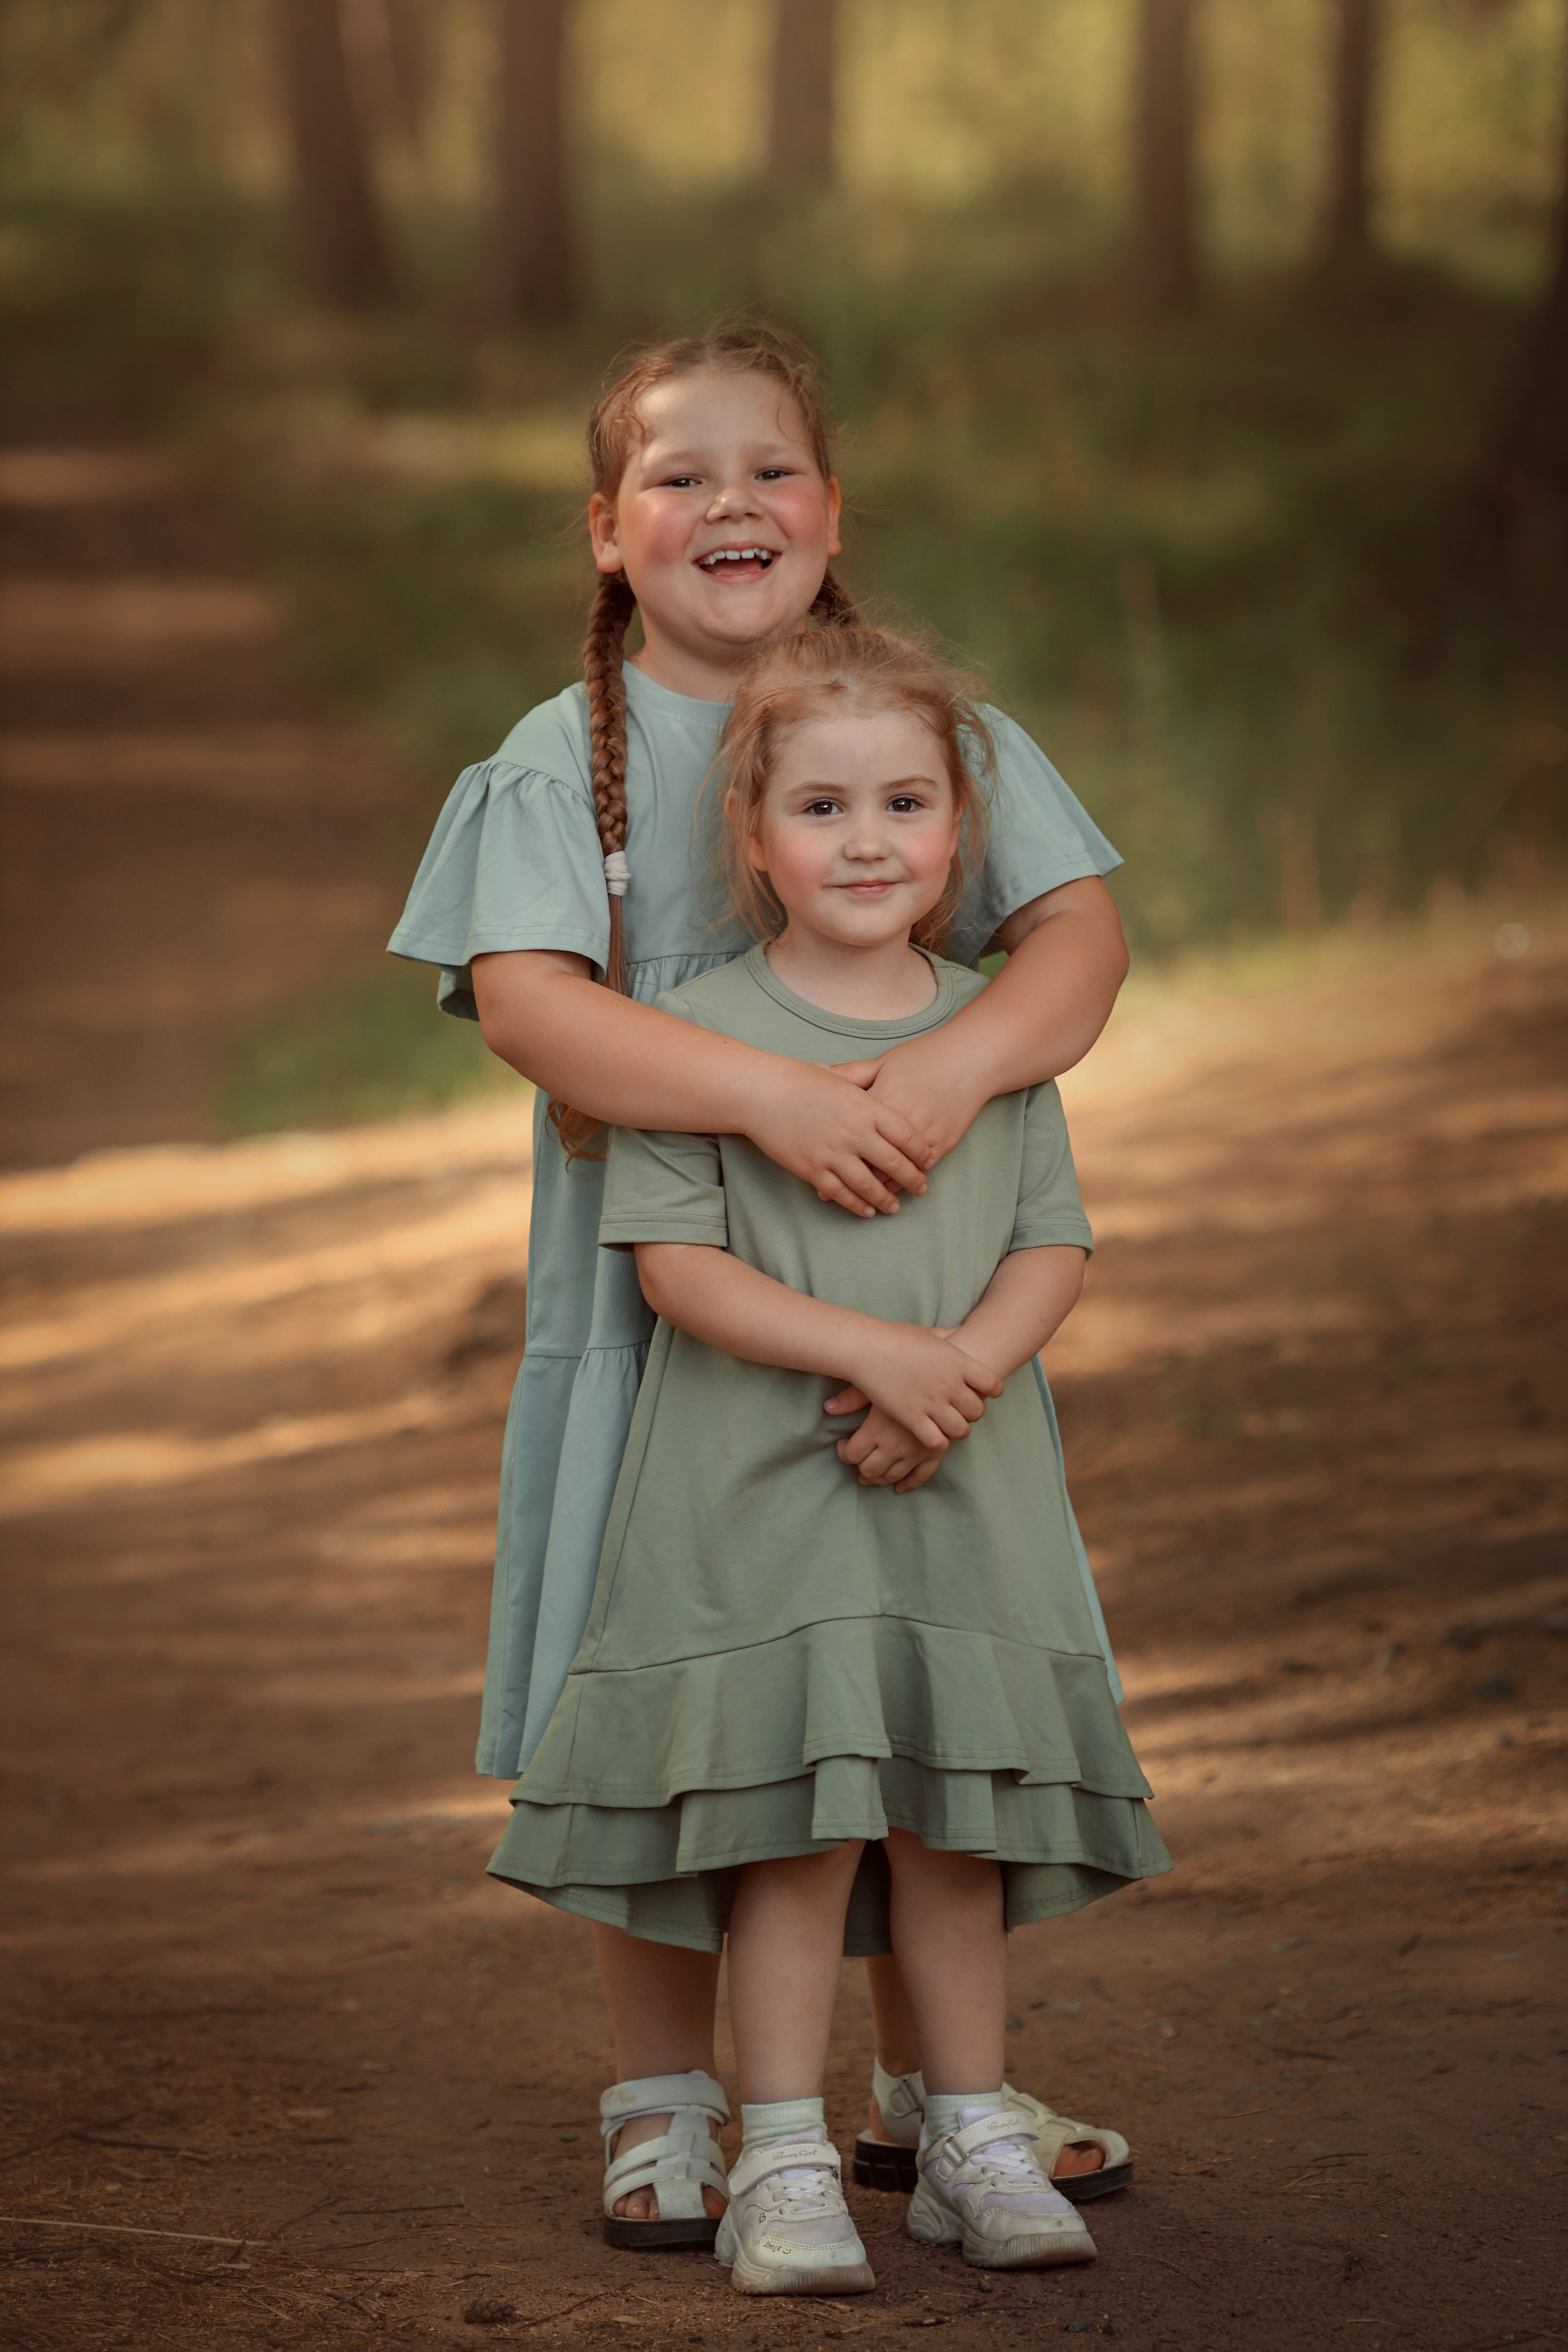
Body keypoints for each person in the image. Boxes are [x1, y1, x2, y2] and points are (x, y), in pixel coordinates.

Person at [388, 324, 1137, 2249]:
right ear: (607, 533)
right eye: (679, 475)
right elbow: (538, 1012)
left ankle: (933, 2097)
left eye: (772, 469)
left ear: (831, 511)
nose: (733, 503)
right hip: (672, 1315)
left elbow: (1075, 937)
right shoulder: (567, 764)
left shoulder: (907, 726)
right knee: (675, 1699)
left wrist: (958, 1070)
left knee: (896, 1684)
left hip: (922, 1298)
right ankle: (669, 2103)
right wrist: (774, 1103)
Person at [489, 620, 1172, 2297]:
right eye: (821, 808)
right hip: (763, 1497)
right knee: (790, 1826)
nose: (867, 841)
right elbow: (679, 1269)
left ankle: (968, 2136)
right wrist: (879, 1357)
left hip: (964, 1483)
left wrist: (962, 1376)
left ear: (961, 828)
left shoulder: (992, 1033)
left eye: (904, 805)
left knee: (952, 1823)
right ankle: (780, 2150)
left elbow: (1053, 1246)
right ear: (755, 838)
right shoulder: (698, 1039)